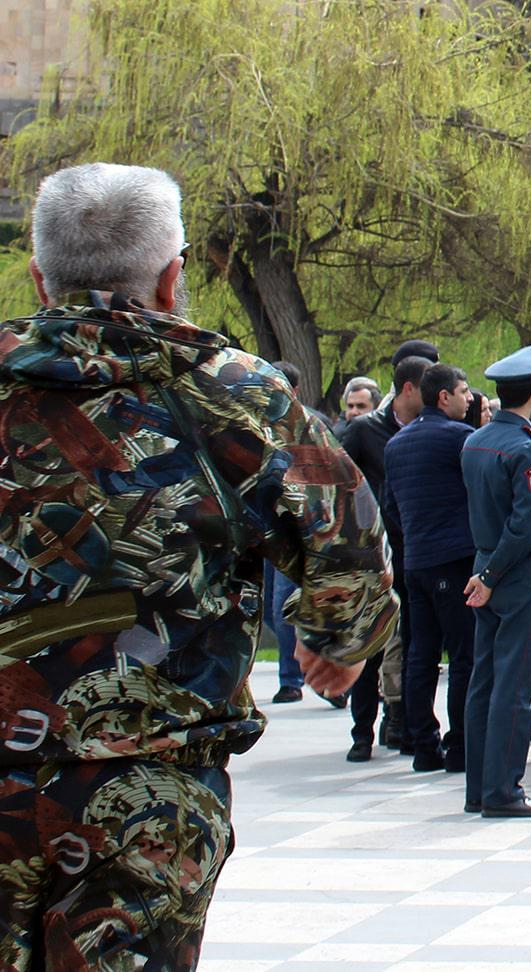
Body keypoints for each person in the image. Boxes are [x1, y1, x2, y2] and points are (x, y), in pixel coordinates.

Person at [0, 163, 394, 964]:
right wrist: (339, 642)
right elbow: (347, 537)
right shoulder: (235, 394)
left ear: (40, 278)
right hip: (149, 789)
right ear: (171, 279)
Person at [460, 345, 531, 819]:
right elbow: (525, 524)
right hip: (516, 570)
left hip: (486, 561)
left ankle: (480, 788)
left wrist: (485, 572)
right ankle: (504, 790)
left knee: (484, 680)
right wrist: (492, 575)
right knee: (515, 685)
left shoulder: (477, 440)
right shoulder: (528, 446)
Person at [385, 362, 480, 776]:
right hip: (453, 559)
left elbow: (390, 505)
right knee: (463, 655)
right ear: (444, 396)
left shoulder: (397, 443)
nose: (469, 399)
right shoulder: (459, 438)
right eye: (463, 391)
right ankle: (460, 746)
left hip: (416, 560)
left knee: (420, 654)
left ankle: (423, 745)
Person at [338, 354, 430, 761]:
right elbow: (337, 481)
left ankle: (404, 722)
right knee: (370, 643)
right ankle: (362, 732)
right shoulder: (365, 430)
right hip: (372, 554)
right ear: (408, 388)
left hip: (413, 550)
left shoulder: (428, 428)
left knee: (412, 642)